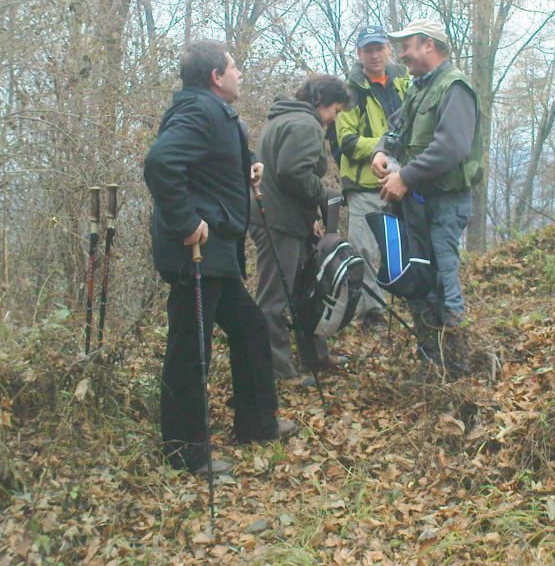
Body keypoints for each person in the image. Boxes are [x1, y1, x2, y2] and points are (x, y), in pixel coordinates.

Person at [144, 40, 296, 475]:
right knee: (191, 352)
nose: (240, 73)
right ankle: (185, 453)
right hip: (195, 252)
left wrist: (248, 163)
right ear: (215, 76)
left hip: (218, 255)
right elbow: (160, 163)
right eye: (234, 67)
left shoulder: (211, 111)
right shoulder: (199, 111)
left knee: (249, 329)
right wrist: (186, 222)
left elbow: (206, 158)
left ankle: (256, 424)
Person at [371, 20, 483, 378]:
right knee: (420, 277)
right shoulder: (421, 88)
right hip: (419, 203)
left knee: (444, 280)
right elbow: (396, 127)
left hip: (445, 203)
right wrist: (380, 151)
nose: (401, 54)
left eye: (408, 46)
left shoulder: (454, 87)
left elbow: (452, 147)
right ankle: (430, 361)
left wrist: (405, 176)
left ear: (429, 46)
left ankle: (457, 365)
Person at [250, 75, 352, 384]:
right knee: (275, 299)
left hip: (284, 217)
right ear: (321, 102)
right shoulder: (306, 125)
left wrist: (310, 216)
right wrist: (324, 195)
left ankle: (316, 356)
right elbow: (292, 174)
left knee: (304, 291)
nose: (334, 118)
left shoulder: (284, 118)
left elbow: (288, 176)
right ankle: (279, 371)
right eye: (335, 109)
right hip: (277, 221)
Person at [335, 25, 409, 332]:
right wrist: (383, 144)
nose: (375, 55)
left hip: (405, 179)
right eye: (368, 50)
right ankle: (372, 314)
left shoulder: (405, 80)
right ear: (359, 54)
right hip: (365, 184)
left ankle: (410, 299)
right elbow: (347, 141)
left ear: (388, 50)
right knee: (364, 249)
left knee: (406, 245)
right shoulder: (349, 89)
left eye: (379, 48)